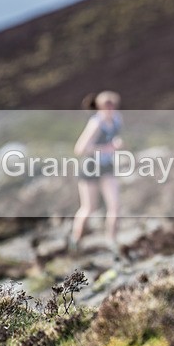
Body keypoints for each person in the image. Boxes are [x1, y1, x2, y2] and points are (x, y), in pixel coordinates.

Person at [70, 91, 123, 252]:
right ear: (99, 106)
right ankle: (75, 241)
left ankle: (112, 243)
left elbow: (111, 139)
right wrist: (105, 148)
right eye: (107, 105)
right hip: (91, 167)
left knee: (115, 206)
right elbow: (80, 149)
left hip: (107, 167)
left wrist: (116, 144)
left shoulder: (117, 120)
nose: (110, 108)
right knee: (88, 207)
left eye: (112, 104)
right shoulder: (96, 123)